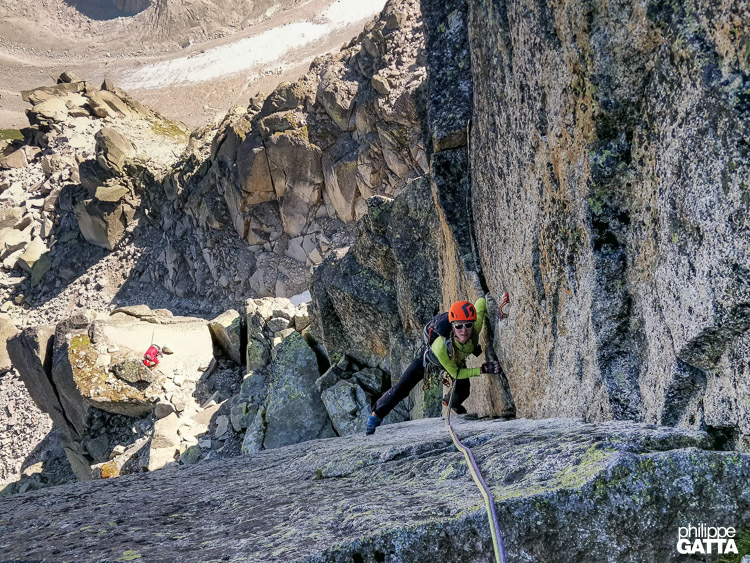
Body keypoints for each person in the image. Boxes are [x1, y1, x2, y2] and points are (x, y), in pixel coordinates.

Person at [365, 297, 503, 435]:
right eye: (459, 326)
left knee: (463, 390)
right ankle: (376, 415)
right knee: (403, 387)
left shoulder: (475, 328)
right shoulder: (440, 346)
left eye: (468, 325)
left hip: (454, 360)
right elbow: (455, 373)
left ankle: (451, 402)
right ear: (452, 326)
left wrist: (499, 308)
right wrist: (482, 369)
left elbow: (480, 302)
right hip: (430, 361)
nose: (464, 330)